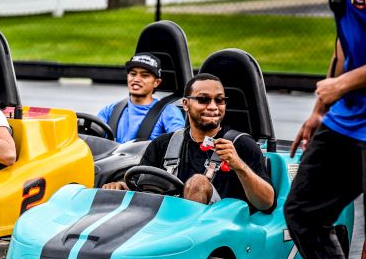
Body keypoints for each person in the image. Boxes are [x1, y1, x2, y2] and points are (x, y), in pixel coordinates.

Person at [284, 0, 366, 259]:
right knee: (303, 211)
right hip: (347, 121)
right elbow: (343, 45)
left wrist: (341, 85)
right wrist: (319, 110)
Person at [103, 73, 275, 211]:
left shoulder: (243, 145)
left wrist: (239, 165)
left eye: (219, 100)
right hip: (168, 224)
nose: (213, 106)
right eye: (203, 99)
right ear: (185, 104)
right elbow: (143, 189)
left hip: (223, 228)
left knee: (198, 183)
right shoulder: (162, 144)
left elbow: (266, 202)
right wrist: (121, 187)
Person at [97, 52, 185, 143]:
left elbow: (179, 144)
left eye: (144, 75)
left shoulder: (168, 112)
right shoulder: (110, 110)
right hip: (113, 157)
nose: (136, 79)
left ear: (156, 82)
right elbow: (93, 135)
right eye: (133, 74)